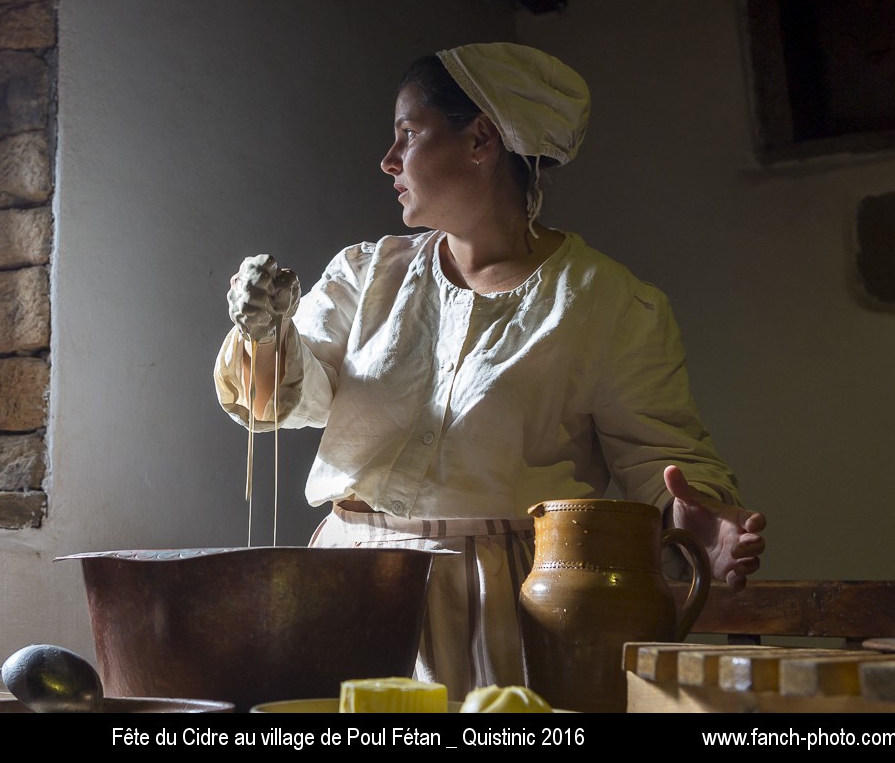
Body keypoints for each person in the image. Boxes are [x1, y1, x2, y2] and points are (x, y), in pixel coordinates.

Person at [214, 42, 766, 701]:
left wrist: (693, 518)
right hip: (348, 585)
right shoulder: (367, 276)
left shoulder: (607, 302)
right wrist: (265, 333)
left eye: (408, 135)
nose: (387, 160)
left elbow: (663, 456)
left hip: (500, 602)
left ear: (480, 138)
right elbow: (281, 399)